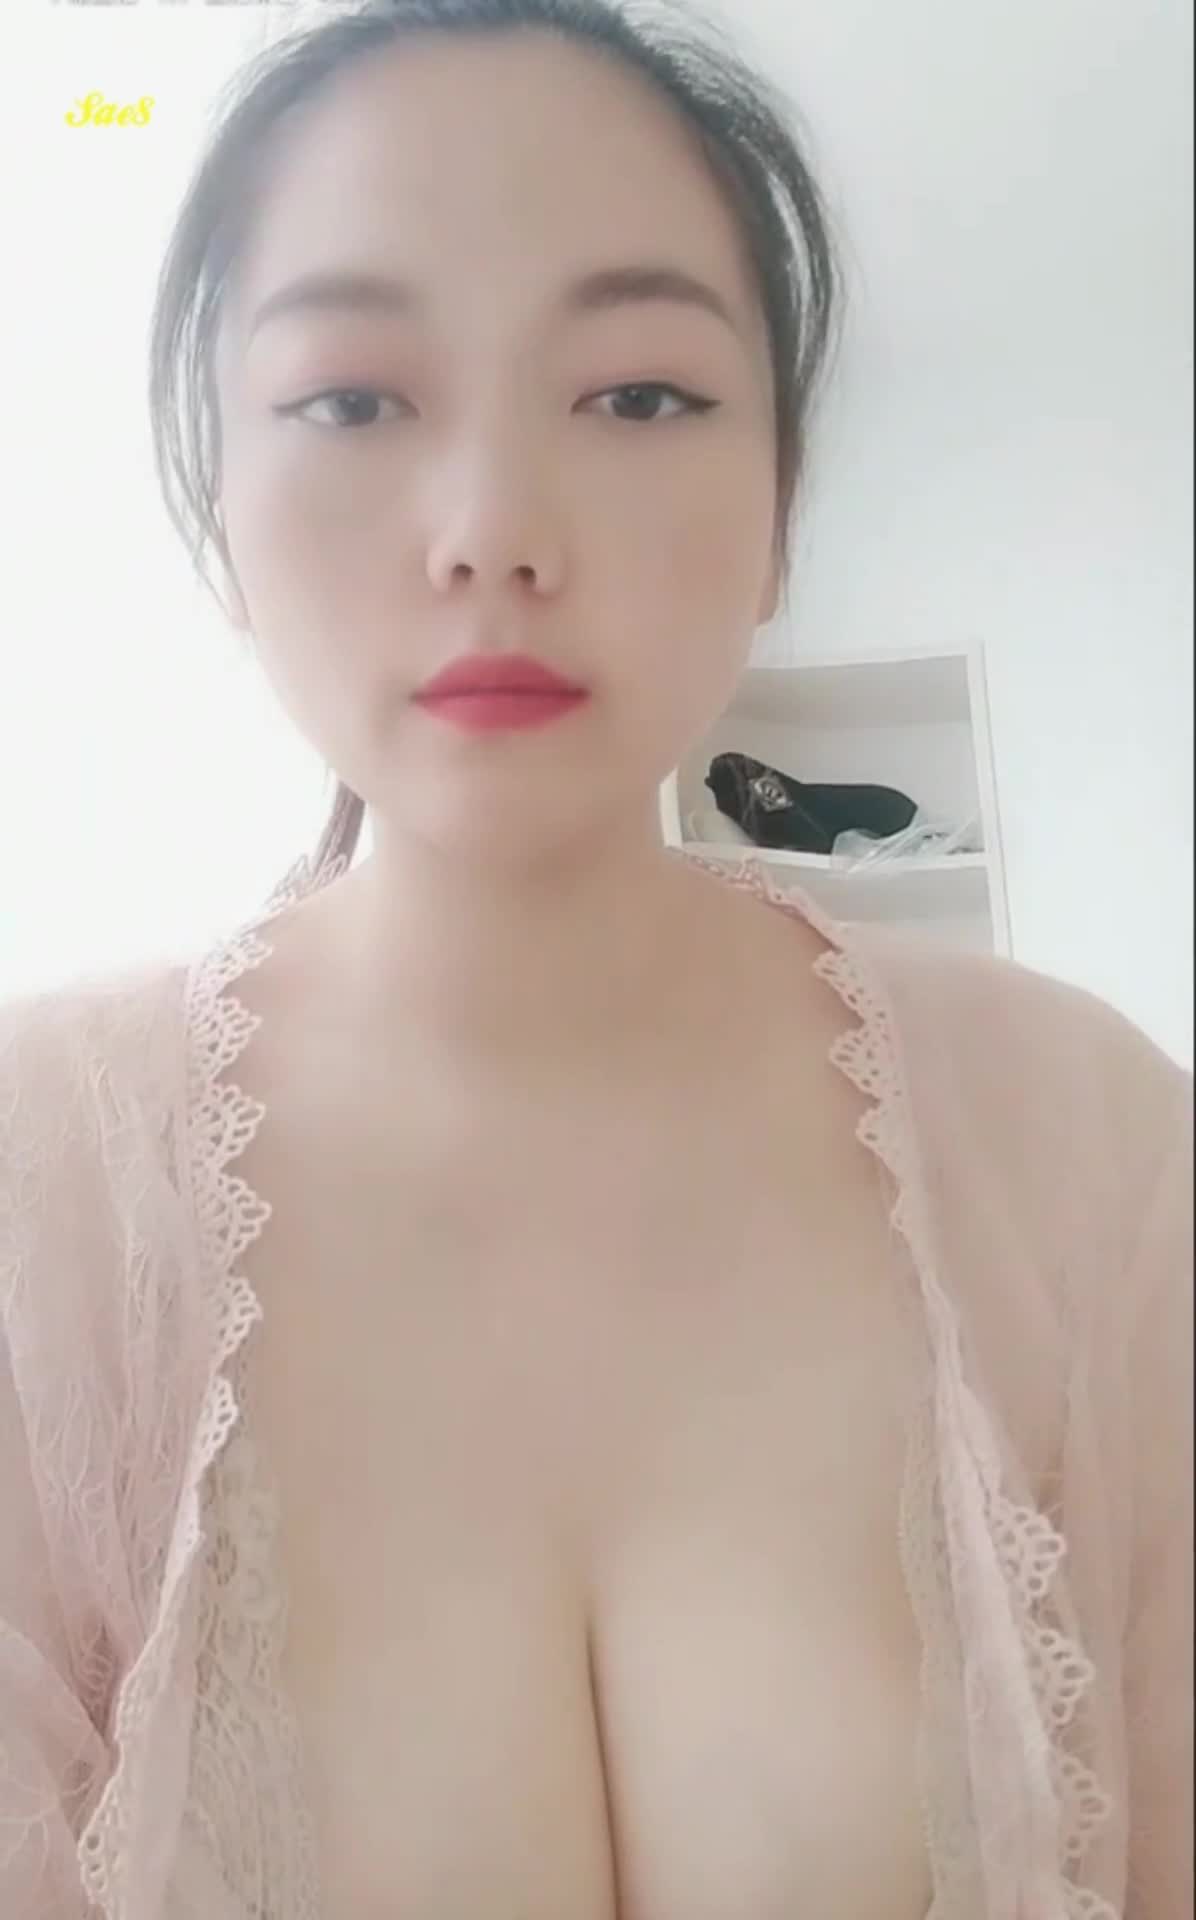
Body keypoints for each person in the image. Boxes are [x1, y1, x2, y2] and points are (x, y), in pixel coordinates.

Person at [1, 1, 1190, 1914]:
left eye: (639, 396)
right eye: (353, 399)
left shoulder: (1096, 1149)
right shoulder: (37, 1200)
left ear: (782, 509)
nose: (494, 532)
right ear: (220, 511)